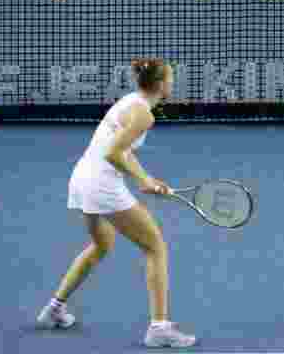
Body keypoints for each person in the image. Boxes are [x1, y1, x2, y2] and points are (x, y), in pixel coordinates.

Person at [36, 58, 198, 348]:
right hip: (102, 185)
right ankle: (159, 328)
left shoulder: (129, 101)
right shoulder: (145, 115)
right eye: (171, 80)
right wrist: (141, 181)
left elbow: (122, 149)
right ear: (160, 85)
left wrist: (146, 177)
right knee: (155, 247)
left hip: (82, 178)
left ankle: (53, 309)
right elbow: (113, 154)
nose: (173, 84)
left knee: (102, 245)